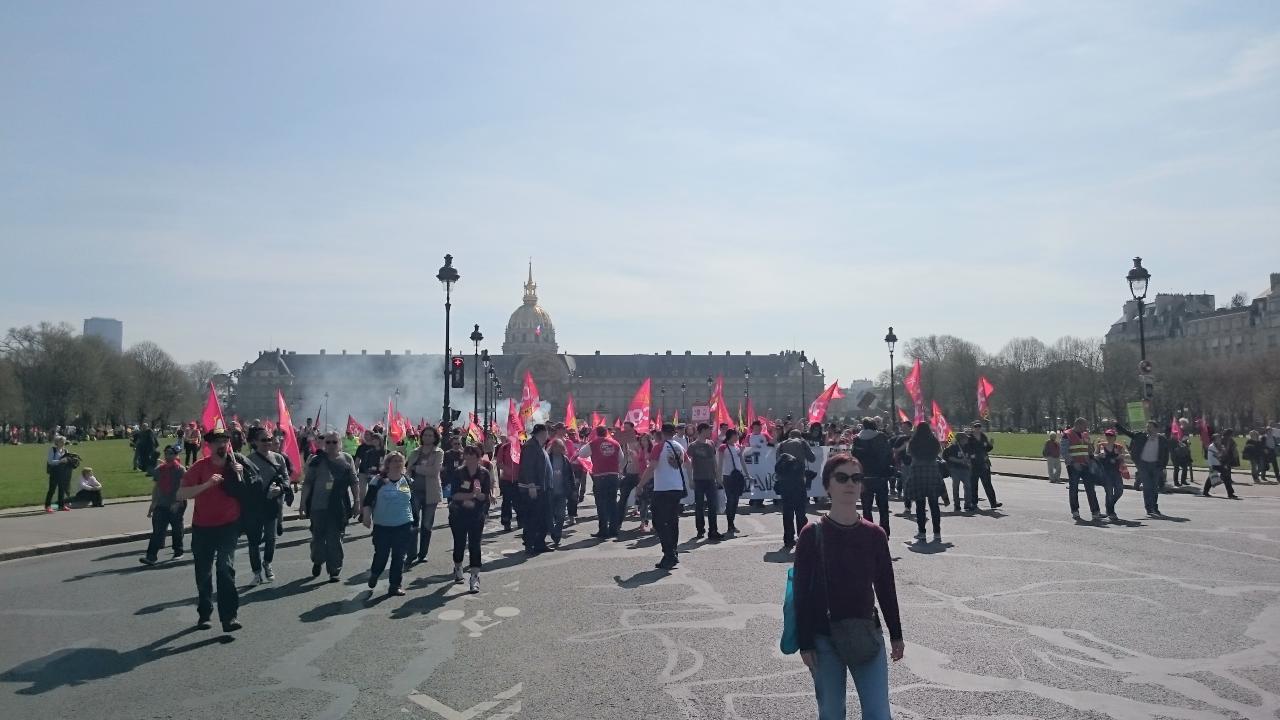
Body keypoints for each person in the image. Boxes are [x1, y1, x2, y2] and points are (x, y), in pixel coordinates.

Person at [794, 454, 904, 720]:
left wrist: (896, 634)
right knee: (831, 712)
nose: (850, 484)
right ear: (828, 485)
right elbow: (800, 593)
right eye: (841, 478)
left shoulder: (875, 534)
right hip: (823, 638)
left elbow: (886, 587)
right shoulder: (811, 533)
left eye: (856, 478)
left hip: (866, 632)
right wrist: (805, 642)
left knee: (878, 713)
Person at [177, 425, 256, 632]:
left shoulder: (237, 465)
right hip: (203, 527)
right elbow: (181, 494)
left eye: (225, 441)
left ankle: (229, 617)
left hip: (229, 526)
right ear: (209, 445)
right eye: (218, 441)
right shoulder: (200, 467)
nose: (222, 444)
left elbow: (252, 491)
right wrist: (206, 485)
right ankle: (204, 612)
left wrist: (242, 475)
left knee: (225, 567)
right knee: (203, 573)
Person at [300, 431, 358, 582]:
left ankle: (334, 570)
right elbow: (307, 483)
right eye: (328, 442)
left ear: (339, 443)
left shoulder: (346, 458)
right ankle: (317, 560)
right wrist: (302, 503)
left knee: (335, 539)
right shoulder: (316, 459)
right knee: (318, 539)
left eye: (334, 442)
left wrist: (357, 501)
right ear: (323, 444)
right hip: (318, 506)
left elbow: (354, 482)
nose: (331, 445)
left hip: (338, 506)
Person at [242, 427, 294, 584]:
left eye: (269, 439)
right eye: (264, 440)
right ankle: (256, 572)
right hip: (255, 505)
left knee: (271, 538)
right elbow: (243, 483)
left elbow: (286, 478)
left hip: (272, 504)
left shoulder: (279, 458)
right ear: (255, 442)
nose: (267, 443)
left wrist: (281, 488)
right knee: (254, 540)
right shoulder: (248, 460)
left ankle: (267, 563)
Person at [361, 451, 414, 596]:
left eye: (400, 461)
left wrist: (414, 521)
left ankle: (395, 585)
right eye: (394, 461)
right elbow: (367, 501)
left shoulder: (407, 480)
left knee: (399, 556)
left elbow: (412, 502)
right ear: (388, 464)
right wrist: (366, 517)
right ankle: (375, 573)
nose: (397, 464)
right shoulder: (378, 480)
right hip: (382, 525)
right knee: (382, 555)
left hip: (403, 524)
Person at [639, 423, 688, 569]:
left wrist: (640, 484)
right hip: (677, 487)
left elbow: (651, 467)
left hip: (663, 488)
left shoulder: (659, 446)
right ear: (674, 432)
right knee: (673, 521)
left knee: (659, 522)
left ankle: (669, 554)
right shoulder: (679, 447)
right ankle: (674, 552)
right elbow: (689, 464)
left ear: (661, 432)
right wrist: (690, 480)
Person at [448, 445, 490, 592]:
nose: (471, 460)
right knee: (459, 544)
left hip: (476, 515)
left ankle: (474, 577)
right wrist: (471, 495)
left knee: (475, 544)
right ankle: (458, 567)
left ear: (479, 458)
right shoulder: (458, 473)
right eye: (468, 456)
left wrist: (480, 496)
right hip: (458, 514)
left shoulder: (484, 473)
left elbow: (486, 496)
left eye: (474, 457)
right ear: (464, 457)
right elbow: (454, 495)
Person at [405, 426, 444, 566]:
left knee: (427, 524)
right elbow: (408, 469)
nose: (427, 438)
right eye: (425, 435)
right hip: (415, 491)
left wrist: (417, 468)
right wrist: (409, 476)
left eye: (430, 435)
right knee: (413, 523)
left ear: (435, 438)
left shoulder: (438, 452)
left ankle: (423, 553)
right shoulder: (415, 452)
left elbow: (434, 471)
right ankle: (411, 554)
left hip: (431, 492)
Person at [141, 446, 186, 565]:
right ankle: (151, 557)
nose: (167, 456)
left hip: (176, 503)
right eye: (166, 453)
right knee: (157, 531)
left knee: (176, 529)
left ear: (176, 455)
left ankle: (178, 551)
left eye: (171, 453)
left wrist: (177, 502)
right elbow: (156, 487)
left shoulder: (180, 470)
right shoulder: (160, 469)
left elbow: (183, 487)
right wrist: (153, 503)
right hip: (161, 504)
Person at [1115, 420, 1169, 518]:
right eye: (1147, 427)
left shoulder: (1162, 439)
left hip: (1156, 466)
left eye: (1150, 427)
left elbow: (1165, 454)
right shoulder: (1141, 436)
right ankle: (1149, 509)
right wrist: (1117, 425)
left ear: (1156, 429)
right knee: (1147, 487)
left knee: (1154, 488)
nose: (1148, 429)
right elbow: (1128, 433)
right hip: (1144, 466)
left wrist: (1162, 466)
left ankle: (1155, 507)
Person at [903, 423, 947, 542]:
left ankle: (922, 531)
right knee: (934, 505)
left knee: (920, 505)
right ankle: (937, 532)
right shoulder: (934, 441)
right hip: (932, 470)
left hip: (917, 470)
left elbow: (908, 453)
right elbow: (939, 452)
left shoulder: (913, 441)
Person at [851, 418, 894, 536]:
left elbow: (853, 458)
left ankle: (868, 532)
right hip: (880, 476)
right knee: (883, 507)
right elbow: (889, 455)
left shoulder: (857, 439)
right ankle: (885, 532)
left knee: (866, 507)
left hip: (864, 477)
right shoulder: (881, 437)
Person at [580, 425, 622, 538]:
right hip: (613, 476)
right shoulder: (615, 443)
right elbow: (621, 459)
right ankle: (614, 530)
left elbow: (581, 454)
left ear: (596, 433)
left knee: (601, 504)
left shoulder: (593, 443)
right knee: (612, 503)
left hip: (600, 477)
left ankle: (603, 530)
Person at [776, 429, 816, 548]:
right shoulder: (802, 443)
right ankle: (802, 536)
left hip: (784, 482)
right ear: (800, 436)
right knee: (800, 510)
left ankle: (788, 539)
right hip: (799, 480)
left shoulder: (781, 445)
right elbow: (812, 458)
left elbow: (777, 461)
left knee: (787, 511)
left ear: (789, 436)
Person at [518, 424, 553, 554]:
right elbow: (528, 467)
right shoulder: (530, 447)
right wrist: (531, 484)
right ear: (542, 433)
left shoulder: (539, 446)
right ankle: (529, 543)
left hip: (541, 488)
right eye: (546, 433)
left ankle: (539, 543)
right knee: (532, 517)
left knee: (542, 518)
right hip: (533, 489)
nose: (548, 436)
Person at [1062, 418, 1104, 521]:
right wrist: (1072, 462)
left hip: (1086, 465)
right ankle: (1075, 511)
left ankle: (1095, 512)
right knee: (1074, 489)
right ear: (1078, 424)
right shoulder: (1067, 434)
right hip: (1074, 466)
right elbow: (1064, 451)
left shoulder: (1085, 435)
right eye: (1085, 426)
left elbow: (1088, 450)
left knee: (1090, 489)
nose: (1086, 428)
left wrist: (1092, 450)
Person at [688, 423, 724, 541]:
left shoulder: (711, 443)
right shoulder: (693, 446)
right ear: (702, 430)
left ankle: (713, 531)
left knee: (712, 506)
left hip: (710, 479)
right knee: (699, 507)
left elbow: (714, 461)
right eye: (709, 430)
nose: (710, 432)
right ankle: (700, 530)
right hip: (698, 479)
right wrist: (690, 479)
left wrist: (718, 476)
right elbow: (688, 463)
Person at [1094, 430, 1128, 522]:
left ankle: (1109, 506)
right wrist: (1098, 455)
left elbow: (1125, 454)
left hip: (1116, 472)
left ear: (1114, 437)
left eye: (1111, 436)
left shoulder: (1118, 446)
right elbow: (1094, 455)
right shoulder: (1101, 446)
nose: (1109, 437)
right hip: (1105, 473)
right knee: (1109, 492)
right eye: (1107, 435)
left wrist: (1121, 456)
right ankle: (1111, 512)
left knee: (1119, 491)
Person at [617, 433, 647, 535]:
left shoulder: (640, 445)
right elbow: (625, 457)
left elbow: (641, 461)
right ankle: (618, 523)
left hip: (640, 475)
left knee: (643, 500)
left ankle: (644, 523)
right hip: (629, 475)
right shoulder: (626, 444)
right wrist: (620, 468)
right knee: (622, 499)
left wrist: (634, 455)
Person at [965, 423, 1001, 509]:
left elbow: (987, 448)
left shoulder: (984, 437)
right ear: (973, 428)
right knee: (974, 484)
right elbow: (966, 450)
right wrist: (970, 456)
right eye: (976, 427)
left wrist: (991, 445)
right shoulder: (969, 438)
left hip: (984, 464)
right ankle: (974, 503)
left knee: (988, 484)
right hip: (974, 465)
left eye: (979, 427)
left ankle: (993, 502)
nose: (978, 428)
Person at [353, 431, 386, 521]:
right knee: (362, 494)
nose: (367, 436)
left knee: (375, 496)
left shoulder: (381, 450)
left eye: (369, 435)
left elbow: (383, 463)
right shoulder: (362, 448)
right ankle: (362, 513)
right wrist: (355, 472)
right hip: (364, 473)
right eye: (365, 435)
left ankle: (374, 516)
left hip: (377, 475)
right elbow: (357, 461)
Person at [547, 439, 575, 547]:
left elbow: (570, 475)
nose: (558, 449)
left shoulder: (565, 460)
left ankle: (557, 534)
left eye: (560, 447)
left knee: (561, 515)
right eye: (556, 447)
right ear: (552, 447)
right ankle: (552, 530)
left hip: (562, 492)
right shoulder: (548, 459)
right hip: (550, 492)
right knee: (550, 515)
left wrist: (572, 490)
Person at [719, 429, 747, 534]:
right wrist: (719, 476)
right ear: (731, 436)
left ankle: (732, 523)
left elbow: (741, 461)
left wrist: (747, 474)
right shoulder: (723, 447)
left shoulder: (737, 447)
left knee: (735, 501)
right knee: (730, 500)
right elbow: (720, 463)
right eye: (736, 435)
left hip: (738, 476)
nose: (738, 437)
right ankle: (730, 524)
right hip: (728, 476)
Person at [942, 432, 973, 512]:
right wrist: (960, 460)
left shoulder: (967, 447)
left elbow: (969, 456)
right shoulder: (953, 447)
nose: (967, 439)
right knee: (956, 487)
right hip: (955, 469)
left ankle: (967, 504)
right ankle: (957, 505)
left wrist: (969, 462)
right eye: (965, 438)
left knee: (968, 486)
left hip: (965, 469)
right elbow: (948, 457)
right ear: (961, 439)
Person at [496, 435, 522, 532]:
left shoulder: (522, 447)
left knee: (518, 501)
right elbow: (498, 463)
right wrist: (507, 470)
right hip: (506, 480)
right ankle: (506, 522)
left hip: (518, 480)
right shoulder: (504, 447)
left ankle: (521, 520)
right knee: (506, 501)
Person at [44, 435, 76, 512]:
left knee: (62, 489)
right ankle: (47, 506)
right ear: (57, 442)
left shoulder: (65, 450)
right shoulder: (53, 450)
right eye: (61, 441)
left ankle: (61, 505)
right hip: (54, 472)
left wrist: (71, 460)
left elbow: (68, 460)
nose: (63, 443)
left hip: (63, 472)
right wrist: (60, 461)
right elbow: (50, 461)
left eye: (64, 441)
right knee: (52, 489)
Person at [1203, 433, 1238, 499]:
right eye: (1218, 438)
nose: (1219, 439)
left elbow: (1224, 455)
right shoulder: (1212, 446)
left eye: (1219, 438)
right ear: (1214, 440)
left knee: (1225, 477)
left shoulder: (1220, 446)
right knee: (1212, 478)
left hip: (1220, 464)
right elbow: (1215, 456)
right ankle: (1205, 491)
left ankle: (1230, 493)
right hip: (1214, 464)